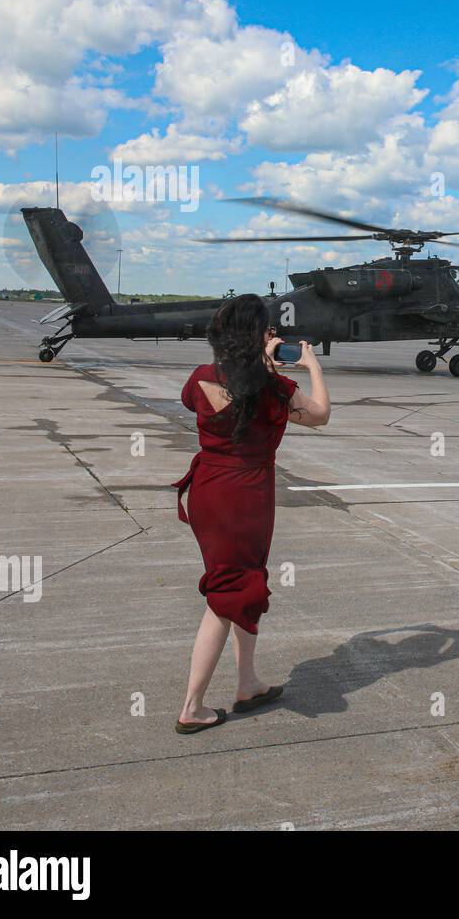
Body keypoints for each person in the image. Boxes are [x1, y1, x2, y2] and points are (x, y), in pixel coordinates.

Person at [170, 294, 331, 733]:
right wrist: (311, 366)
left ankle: (248, 683)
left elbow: (198, 401)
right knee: (227, 595)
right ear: (259, 336)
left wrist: (254, 367)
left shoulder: (202, 377)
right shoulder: (274, 389)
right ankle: (192, 707)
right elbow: (320, 416)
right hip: (246, 496)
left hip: (208, 490)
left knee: (242, 580)